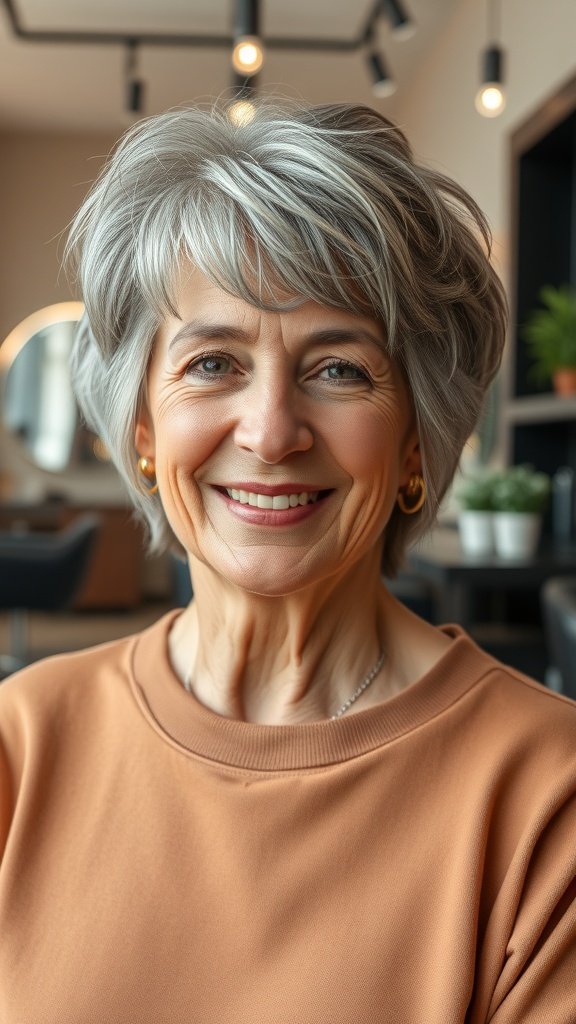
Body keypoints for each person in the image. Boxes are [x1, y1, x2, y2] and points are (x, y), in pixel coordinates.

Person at [0, 99, 574, 1024]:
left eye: (339, 368)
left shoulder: (548, 793)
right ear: (144, 430)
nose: (270, 432)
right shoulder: (20, 747)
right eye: (213, 363)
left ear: (418, 441)